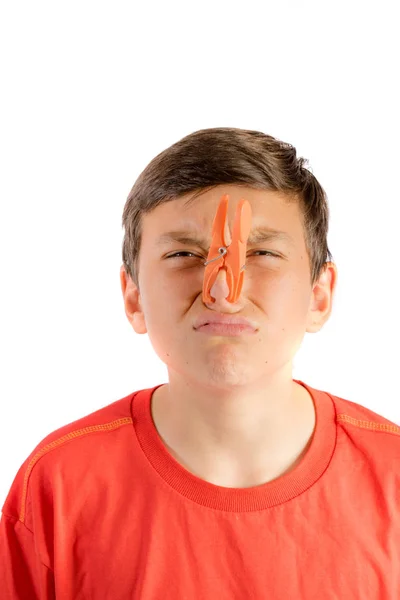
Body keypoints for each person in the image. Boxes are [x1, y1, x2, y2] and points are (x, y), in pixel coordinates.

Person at [1, 127, 399, 599]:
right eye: (184, 254)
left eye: (264, 253)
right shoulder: (58, 487)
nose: (222, 295)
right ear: (133, 298)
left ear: (319, 295)